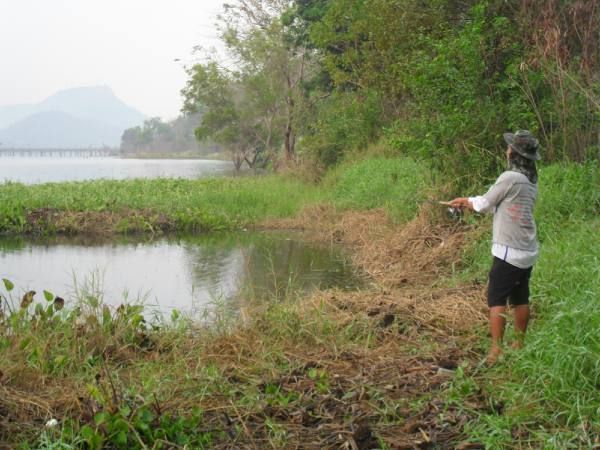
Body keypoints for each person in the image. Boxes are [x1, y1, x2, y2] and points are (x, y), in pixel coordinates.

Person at [449, 130, 541, 365]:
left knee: (496, 298)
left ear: (515, 154)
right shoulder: (530, 180)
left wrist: (468, 202)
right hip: (527, 250)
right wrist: (469, 201)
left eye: (510, 147)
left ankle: (496, 351)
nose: (506, 149)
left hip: (508, 250)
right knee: (521, 297)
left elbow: (486, 203)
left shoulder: (510, 177)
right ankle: (519, 343)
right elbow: (497, 203)